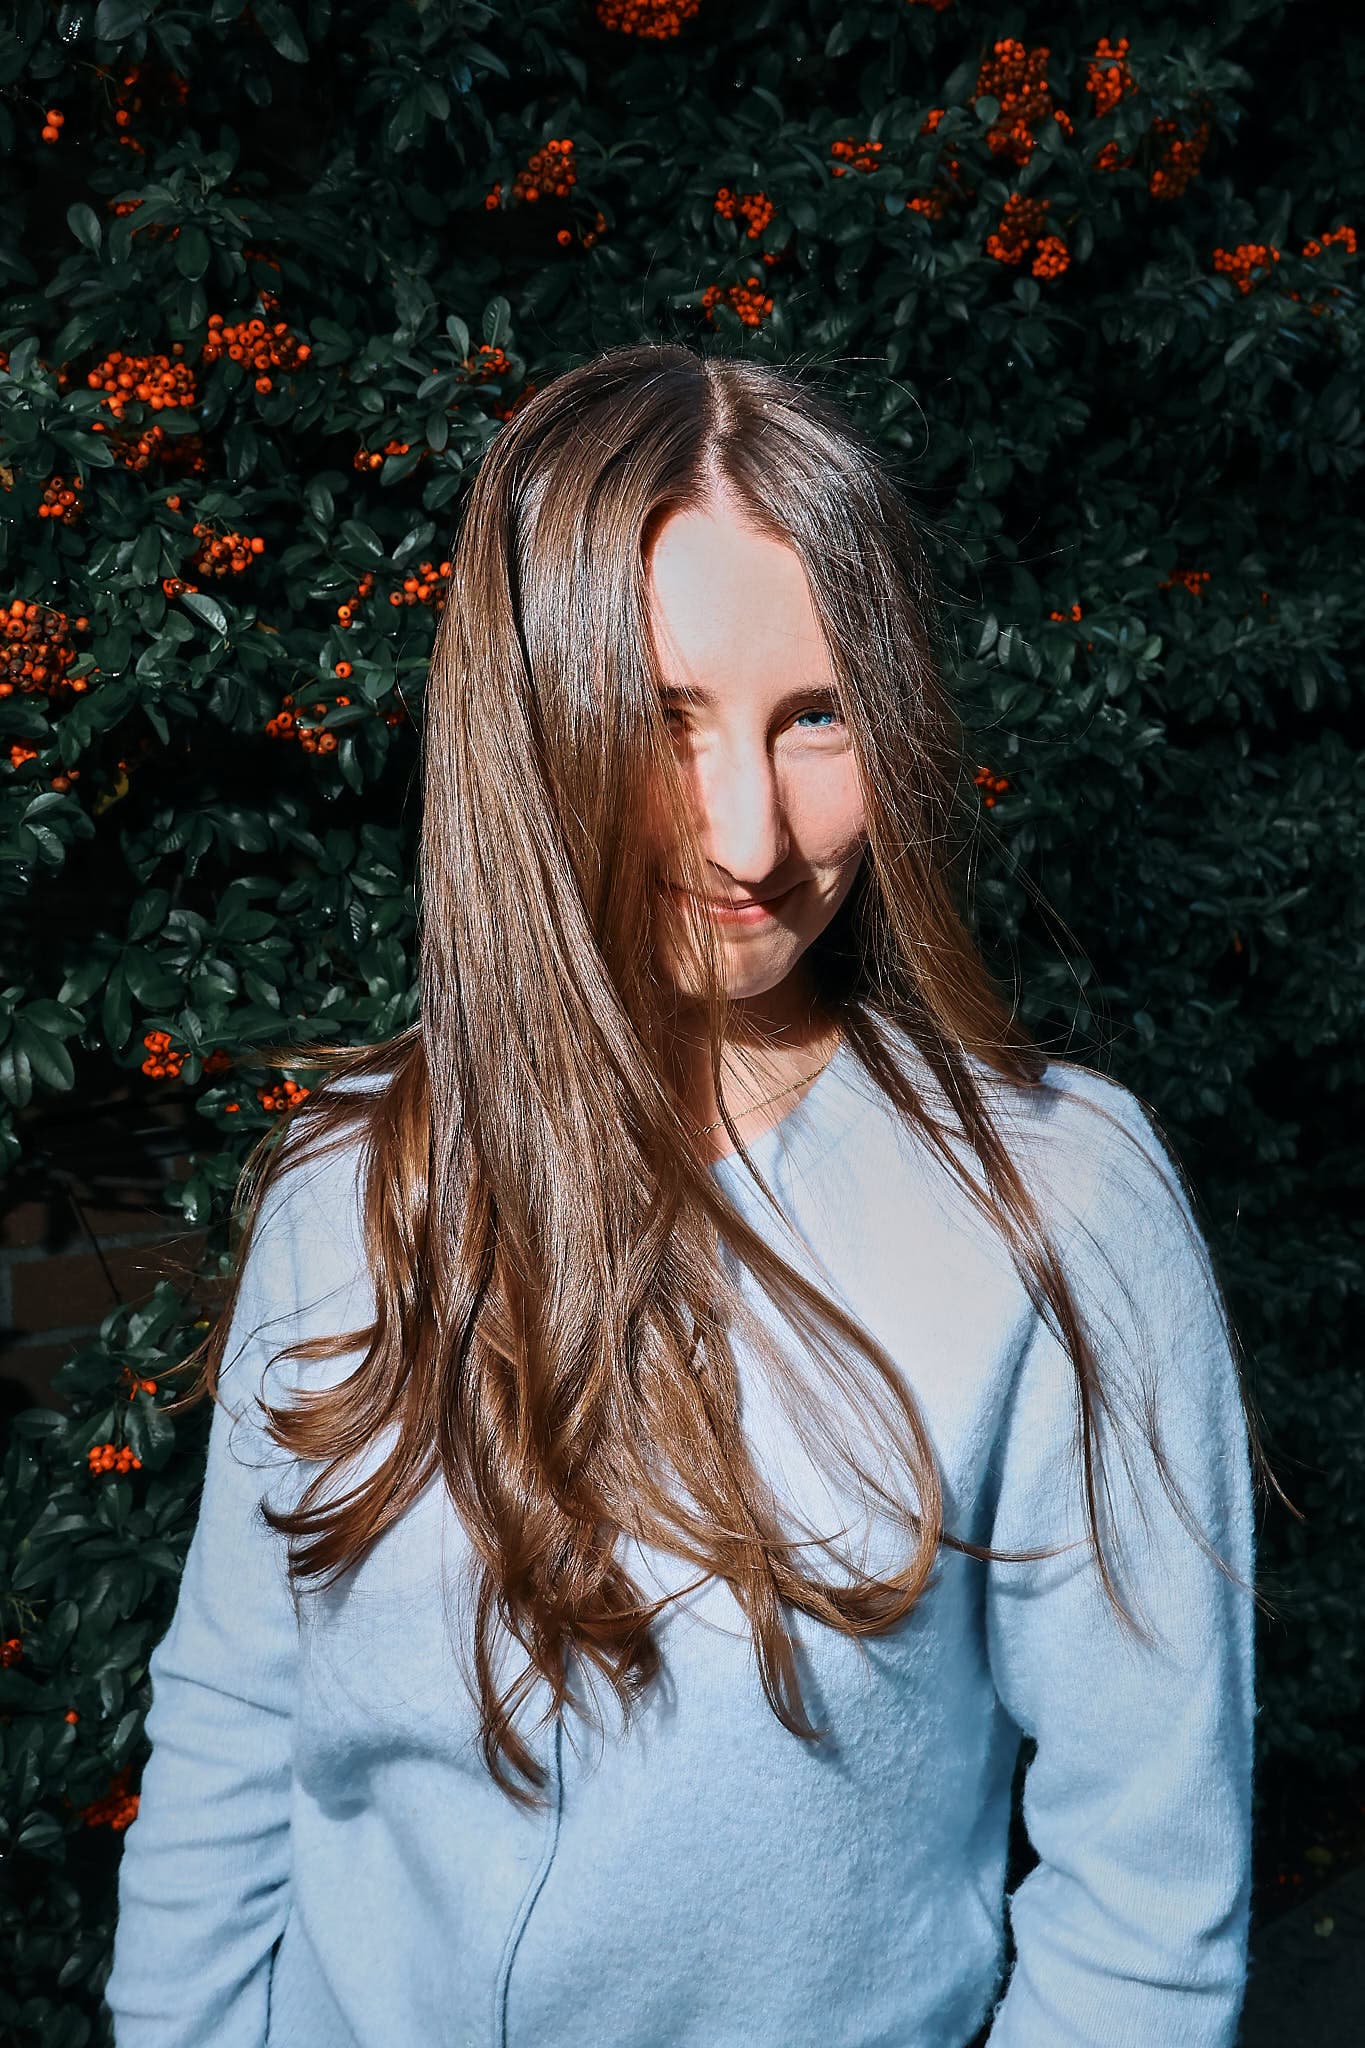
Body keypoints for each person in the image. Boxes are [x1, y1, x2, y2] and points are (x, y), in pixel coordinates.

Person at [104, 342, 1279, 2048]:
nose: (748, 838)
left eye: (817, 717)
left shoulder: (1058, 1203)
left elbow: (1144, 1901)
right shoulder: (350, 1180)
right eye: (660, 721)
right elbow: (227, 1735)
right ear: (531, 729)